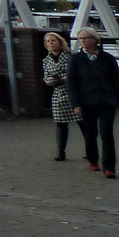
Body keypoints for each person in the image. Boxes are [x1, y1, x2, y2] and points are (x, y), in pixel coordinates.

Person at [67, 28, 119, 177]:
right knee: (90, 133)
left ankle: (109, 167)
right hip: (87, 101)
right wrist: (76, 103)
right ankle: (92, 159)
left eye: (86, 38)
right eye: (80, 39)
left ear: (95, 39)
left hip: (106, 101)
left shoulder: (108, 58)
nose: (83, 41)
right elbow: (72, 83)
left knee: (107, 133)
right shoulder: (75, 59)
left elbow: (117, 81)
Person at [42, 32, 75, 161]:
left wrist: (66, 78)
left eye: (53, 40)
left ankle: (89, 149)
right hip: (58, 92)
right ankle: (60, 151)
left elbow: (77, 73)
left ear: (60, 42)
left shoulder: (71, 57)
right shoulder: (46, 60)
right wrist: (52, 81)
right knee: (60, 123)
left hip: (73, 91)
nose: (50, 43)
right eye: (48, 41)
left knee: (82, 122)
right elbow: (46, 76)